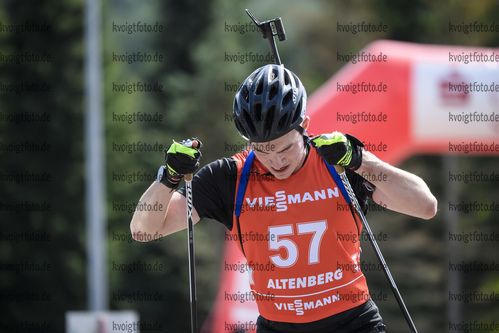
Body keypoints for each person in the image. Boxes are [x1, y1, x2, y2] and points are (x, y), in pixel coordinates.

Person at [130, 64, 437, 333]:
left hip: (353, 323)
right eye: (262, 149)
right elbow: (144, 230)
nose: (275, 160)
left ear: (303, 125)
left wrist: (361, 161)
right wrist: (168, 178)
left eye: (284, 147)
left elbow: (425, 206)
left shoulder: (336, 161)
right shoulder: (229, 178)